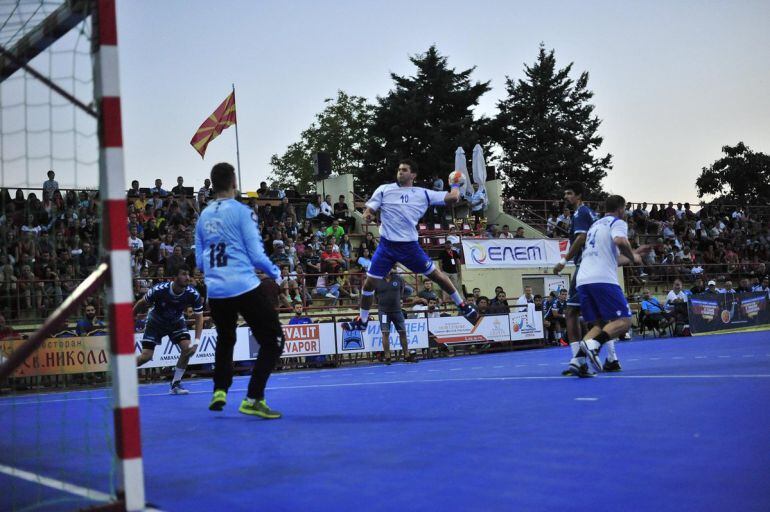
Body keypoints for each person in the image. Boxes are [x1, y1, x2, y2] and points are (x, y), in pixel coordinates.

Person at [342, 160, 477, 331]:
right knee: (368, 285)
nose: (400, 172)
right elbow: (369, 209)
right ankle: (362, 321)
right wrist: (368, 214)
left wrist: (456, 185)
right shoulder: (384, 189)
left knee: (436, 275)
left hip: (409, 247)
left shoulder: (422, 193)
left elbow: (452, 198)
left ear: (413, 175)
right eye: (399, 169)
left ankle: (463, 306)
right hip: (386, 247)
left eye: (404, 170)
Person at [195, 162, 285, 419]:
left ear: (213, 185)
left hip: (216, 290)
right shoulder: (242, 212)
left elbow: (200, 261)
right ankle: (253, 398)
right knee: (273, 340)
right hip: (242, 285)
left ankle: (220, 390)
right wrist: (276, 273)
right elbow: (257, 255)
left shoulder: (204, 215)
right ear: (234, 182)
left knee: (226, 338)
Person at [575, 195, 647, 375]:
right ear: (621, 208)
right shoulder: (617, 222)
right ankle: (594, 345)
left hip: (583, 279)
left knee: (599, 325)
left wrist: (633, 257)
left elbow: (612, 259)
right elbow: (621, 242)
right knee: (624, 321)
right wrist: (633, 256)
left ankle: (578, 360)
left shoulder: (595, 226)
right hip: (602, 279)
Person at [552, 181, 598, 378]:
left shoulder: (580, 213)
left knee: (571, 311)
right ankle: (611, 358)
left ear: (579, 195)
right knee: (596, 315)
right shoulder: (589, 213)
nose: (566, 197)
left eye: (569, 193)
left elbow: (581, 238)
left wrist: (564, 260)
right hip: (595, 265)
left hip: (585, 266)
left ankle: (578, 360)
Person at [134, 266, 204, 395]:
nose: (187, 277)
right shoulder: (159, 290)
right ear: (174, 278)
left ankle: (175, 384)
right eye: (183, 274)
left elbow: (199, 318)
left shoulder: (193, 294)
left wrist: (197, 342)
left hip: (176, 322)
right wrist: (129, 319)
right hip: (156, 322)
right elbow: (141, 303)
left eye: (188, 274)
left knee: (187, 349)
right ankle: (122, 374)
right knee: (146, 357)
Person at [375, 270, 415, 364]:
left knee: (403, 332)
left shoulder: (399, 278)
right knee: (385, 333)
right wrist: (381, 304)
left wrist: (399, 300)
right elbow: (375, 295)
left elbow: (402, 291)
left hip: (397, 311)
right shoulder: (377, 280)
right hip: (383, 311)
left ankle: (406, 355)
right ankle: (388, 357)